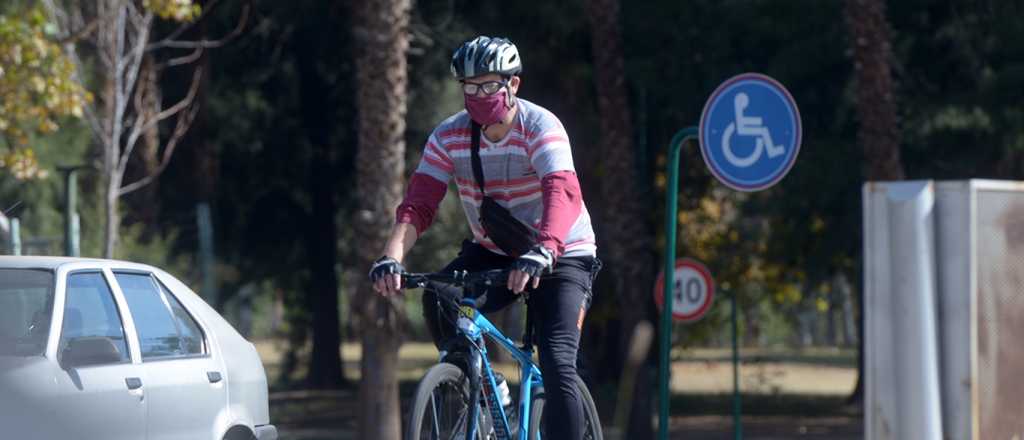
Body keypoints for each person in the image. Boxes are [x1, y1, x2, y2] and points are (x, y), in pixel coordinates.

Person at [368, 35, 600, 440]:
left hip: (563, 252)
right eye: (469, 87)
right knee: (439, 295)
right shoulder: (449, 135)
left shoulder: (541, 126)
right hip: (497, 250)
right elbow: (419, 204)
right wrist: (392, 257)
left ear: (513, 84)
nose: (478, 95)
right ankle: (480, 383)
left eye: (489, 85)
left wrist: (545, 249)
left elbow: (561, 191)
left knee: (557, 360)